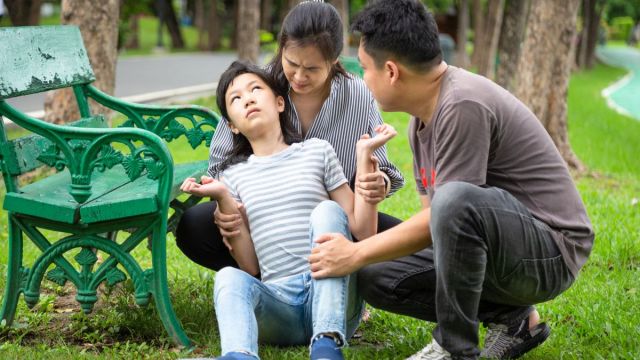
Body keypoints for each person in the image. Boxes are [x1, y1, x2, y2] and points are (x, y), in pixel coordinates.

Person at [308, 1, 595, 359]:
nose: (363, 78)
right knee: (376, 275)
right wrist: (362, 257)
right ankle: (514, 319)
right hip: (504, 249)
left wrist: (353, 252)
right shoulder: (421, 122)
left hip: (551, 252)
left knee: (452, 200)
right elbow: (438, 228)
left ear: (392, 71)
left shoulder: (462, 103)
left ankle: (454, 348)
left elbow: (450, 208)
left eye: (365, 69)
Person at [180, 61, 397, 360]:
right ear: (231, 124)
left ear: (280, 102)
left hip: (334, 299)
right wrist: (222, 197)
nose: (248, 98)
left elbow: (363, 231)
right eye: (236, 98)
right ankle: (238, 355)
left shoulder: (317, 151)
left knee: (326, 211)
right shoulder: (231, 177)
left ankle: (326, 346)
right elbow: (250, 266)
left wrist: (364, 159)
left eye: (256, 89)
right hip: (280, 306)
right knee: (228, 276)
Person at [175, 1, 404, 272]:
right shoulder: (258, 88)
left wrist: (380, 183)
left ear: (333, 61)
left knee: (410, 245)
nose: (298, 76)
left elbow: (384, 170)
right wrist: (229, 206)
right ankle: (270, 283)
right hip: (263, 222)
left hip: (338, 220)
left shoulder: (358, 96)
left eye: (312, 69)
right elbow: (219, 167)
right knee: (194, 226)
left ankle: (341, 284)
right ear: (282, 48)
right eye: (292, 63)